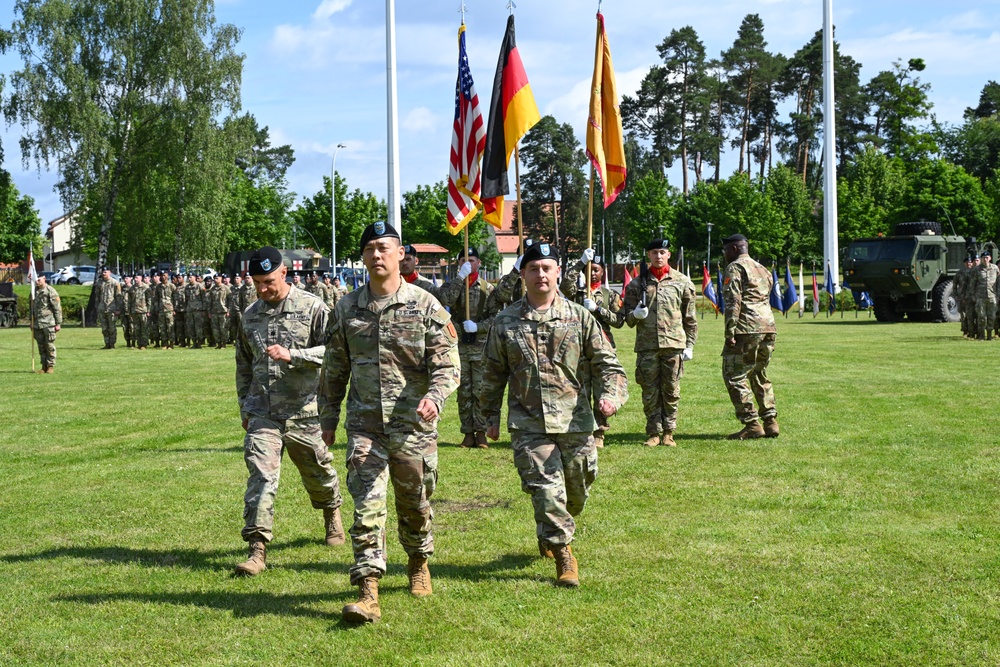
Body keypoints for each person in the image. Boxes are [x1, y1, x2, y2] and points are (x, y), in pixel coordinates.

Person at [319, 221, 460, 624]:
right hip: (365, 426)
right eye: (370, 249)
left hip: (413, 427)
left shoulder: (425, 304)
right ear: (363, 258)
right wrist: (328, 417)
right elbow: (334, 369)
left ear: (401, 254)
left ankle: (418, 561)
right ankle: (368, 590)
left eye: (384, 247)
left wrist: (434, 397)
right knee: (367, 505)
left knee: (415, 503)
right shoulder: (347, 308)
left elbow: (448, 365)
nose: (377, 255)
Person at [479, 241, 628, 587]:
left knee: (577, 489)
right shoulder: (505, 322)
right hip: (528, 422)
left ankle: (551, 527)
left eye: (547, 268)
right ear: (522, 275)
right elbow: (491, 373)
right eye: (533, 269)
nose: (540, 274)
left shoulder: (579, 317)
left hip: (575, 420)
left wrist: (610, 397)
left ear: (558, 272)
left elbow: (609, 365)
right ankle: (565, 555)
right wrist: (487, 417)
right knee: (547, 489)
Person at [233, 246, 345, 577]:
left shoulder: (313, 308)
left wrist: (295, 354)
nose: (263, 289)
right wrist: (244, 405)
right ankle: (257, 548)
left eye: (268, 281)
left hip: (305, 410)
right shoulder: (250, 315)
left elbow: (335, 351)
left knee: (318, 472)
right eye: (257, 283)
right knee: (262, 476)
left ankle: (331, 512)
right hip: (263, 410)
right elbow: (243, 365)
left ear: (284, 273)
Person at [622, 238, 698, 447]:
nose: (658, 256)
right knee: (650, 391)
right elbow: (626, 318)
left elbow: (689, 318)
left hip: (673, 345)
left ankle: (669, 432)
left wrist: (689, 345)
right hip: (647, 346)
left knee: (671, 390)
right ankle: (653, 432)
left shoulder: (682, 282)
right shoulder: (637, 284)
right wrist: (636, 315)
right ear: (648, 255)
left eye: (662, 252)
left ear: (669, 255)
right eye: (654, 252)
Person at [559, 249, 626, 448]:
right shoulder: (577, 294)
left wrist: (599, 310)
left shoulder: (609, 295)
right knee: (580, 389)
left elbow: (619, 321)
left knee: (601, 389)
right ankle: (582, 428)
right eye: (589, 269)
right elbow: (564, 284)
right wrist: (580, 263)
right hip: (578, 347)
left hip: (602, 348)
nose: (593, 273)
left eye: (596, 269)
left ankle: (599, 432)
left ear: (603, 271)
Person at [720, 234, 779, 440]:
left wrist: (730, 332)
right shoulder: (762, 268)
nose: (725, 255)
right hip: (768, 327)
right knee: (759, 373)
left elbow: (732, 301)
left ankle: (752, 423)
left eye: (726, 250)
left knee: (734, 375)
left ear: (734, 249)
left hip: (746, 328)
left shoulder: (735, 268)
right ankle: (770, 421)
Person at [437, 246, 495, 448]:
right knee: (463, 392)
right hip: (459, 346)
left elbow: (495, 318)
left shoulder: (488, 289)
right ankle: (467, 432)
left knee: (480, 391)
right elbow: (445, 300)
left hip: (480, 347)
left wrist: (478, 326)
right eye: (463, 260)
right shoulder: (453, 285)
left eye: (471, 260)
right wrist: (460, 279)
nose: (467, 263)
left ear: (479, 263)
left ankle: (481, 433)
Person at [31, 273, 63, 373]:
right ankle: (43, 366)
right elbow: (31, 308)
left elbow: (57, 308)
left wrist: (58, 323)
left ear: (44, 279)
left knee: (49, 345)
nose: (37, 281)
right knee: (41, 346)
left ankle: (50, 366)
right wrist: (31, 321)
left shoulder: (50, 291)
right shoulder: (33, 291)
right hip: (37, 323)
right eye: (36, 280)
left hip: (49, 322)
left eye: (39, 279)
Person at [972, 250, 999, 340]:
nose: (985, 259)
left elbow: (998, 283)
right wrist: (973, 296)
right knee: (981, 316)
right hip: (980, 297)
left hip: (992, 297)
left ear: (990, 258)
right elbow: (973, 284)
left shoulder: (995, 268)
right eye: (983, 258)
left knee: (992, 316)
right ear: (981, 259)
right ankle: (981, 335)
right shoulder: (977, 270)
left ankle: (990, 335)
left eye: (987, 258)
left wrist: (998, 295)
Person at [95, 268, 122, 349]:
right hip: (102, 308)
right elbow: (97, 296)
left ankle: (112, 344)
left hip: (112, 309)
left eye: (105, 272)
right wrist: (97, 307)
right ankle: (107, 343)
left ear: (109, 272)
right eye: (103, 272)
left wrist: (118, 309)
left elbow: (118, 297)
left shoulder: (115, 283)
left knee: (112, 328)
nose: (104, 274)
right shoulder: (99, 283)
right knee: (104, 328)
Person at [208, 274, 230, 349]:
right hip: (214, 311)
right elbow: (210, 301)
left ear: (220, 278)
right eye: (214, 278)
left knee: (223, 328)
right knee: (215, 329)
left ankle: (224, 343)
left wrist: (228, 310)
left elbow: (230, 300)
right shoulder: (212, 289)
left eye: (217, 278)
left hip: (223, 311)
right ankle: (218, 343)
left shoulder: (226, 288)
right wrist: (209, 312)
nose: (215, 280)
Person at [156, 271, 175, 349]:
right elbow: (156, 299)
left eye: (164, 275)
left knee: (170, 327)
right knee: (162, 328)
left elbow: (175, 298)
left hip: (169, 310)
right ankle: (164, 343)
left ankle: (171, 344)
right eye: (161, 275)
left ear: (167, 276)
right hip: (161, 310)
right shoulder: (158, 287)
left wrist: (174, 309)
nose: (162, 277)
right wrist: (157, 309)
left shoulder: (171, 286)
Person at [130, 274, 151, 349]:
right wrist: (130, 311)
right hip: (135, 311)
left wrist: (148, 310)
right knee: (137, 329)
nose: (135, 279)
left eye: (137, 277)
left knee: (144, 329)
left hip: (143, 311)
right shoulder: (132, 288)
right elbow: (130, 301)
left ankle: (144, 344)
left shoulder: (146, 287)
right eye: (134, 278)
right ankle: (139, 344)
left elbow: (149, 300)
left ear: (141, 278)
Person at [121, 276, 134, 348]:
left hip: (131, 311)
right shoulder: (122, 288)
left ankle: (133, 342)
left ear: (130, 279)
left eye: (127, 278)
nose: (125, 280)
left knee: (132, 327)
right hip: (123, 311)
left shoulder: (133, 288)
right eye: (124, 278)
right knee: (125, 328)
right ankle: (128, 342)